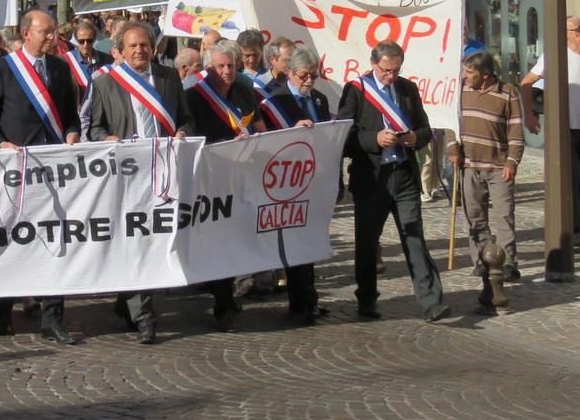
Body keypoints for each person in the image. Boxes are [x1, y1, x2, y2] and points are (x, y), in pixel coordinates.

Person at [0, 9, 81, 344]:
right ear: (26, 33)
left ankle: (52, 319)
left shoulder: (62, 69)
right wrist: (1, 144)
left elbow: (70, 117)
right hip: (16, 173)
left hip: (53, 172)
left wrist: (73, 134)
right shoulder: (5, 70)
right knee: (14, 242)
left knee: (55, 241)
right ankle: (4, 311)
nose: (52, 38)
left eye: (53, 32)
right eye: (46, 32)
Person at [86, 21, 193, 345]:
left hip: (163, 173)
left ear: (153, 47)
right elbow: (94, 129)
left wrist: (183, 132)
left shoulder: (169, 78)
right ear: (120, 50)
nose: (139, 51)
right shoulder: (106, 84)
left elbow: (185, 116)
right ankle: (145, 315)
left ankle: (127, 300)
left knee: (155, 240)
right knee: (136, 240)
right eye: (132, 46)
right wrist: (108, 137)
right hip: (128, 177)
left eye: (144, 45)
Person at [338, 40, 449, 323]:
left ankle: (431, 301)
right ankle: (366, 299)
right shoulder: (356, 91)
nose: (391, 76)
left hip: (403, 175)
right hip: (371, 178)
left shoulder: (407, 89)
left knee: (414, 238)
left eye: (396, 70)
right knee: (367, 242)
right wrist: (374, 139)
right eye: (387, 70)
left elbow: (424, 127)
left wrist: (416, 138)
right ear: (374, 64)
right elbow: (344, 137)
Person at [184, 40, 266, 329]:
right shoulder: (194, 97)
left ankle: (229, 292)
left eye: (231, 65)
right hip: (211, 178)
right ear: (208, 69)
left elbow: (258, 126)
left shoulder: (244, 91)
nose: (227, 71)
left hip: (241, 176)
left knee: (236, 238)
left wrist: (255, 140)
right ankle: (223, 302)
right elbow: (191, 137)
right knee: (218, 239)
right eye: (220, 66)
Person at [262, 47, 332, 324]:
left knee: (311, 240)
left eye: (314, 76)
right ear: (290, 73)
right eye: (304, 76)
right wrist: (293, 132)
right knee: (294, 244)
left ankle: (310, 299)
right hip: (288, 183)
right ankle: (299, 301)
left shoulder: (320, 99)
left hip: (316, 179)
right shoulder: (274, 103)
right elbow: (268, 143)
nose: (309, 81)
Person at [450, 50, 524, 288]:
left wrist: (512, 161)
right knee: (474, 217)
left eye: (469, 72)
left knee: (504, 216)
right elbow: (451, 123)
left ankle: (508, 263)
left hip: (499, 166)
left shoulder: (508, 92)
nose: (464, 76)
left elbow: (515, 129)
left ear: (486, 75)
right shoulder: (460, 91)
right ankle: (482, 259)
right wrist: (452, 147)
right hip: (469, 165)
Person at [520, 14, 580, 232]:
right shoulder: (554, 55)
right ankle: (573, 228)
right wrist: (528, 113)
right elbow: (526, 82)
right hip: (566, 128)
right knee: (572, 180)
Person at [63, 20, 113, 107]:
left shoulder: (107, 59)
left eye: (89, 41)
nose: (85, 44)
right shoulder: (64, 61)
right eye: (81, 41)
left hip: (100, 109)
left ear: (94, 40)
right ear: (76, 40)